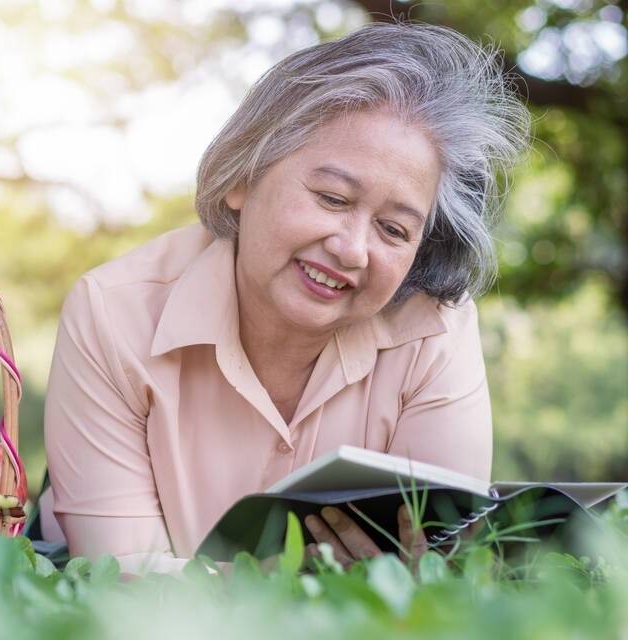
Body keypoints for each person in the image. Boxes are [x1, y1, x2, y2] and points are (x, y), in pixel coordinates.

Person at [41, 22, 530, 578]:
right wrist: (271, 582)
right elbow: (118, 576)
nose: (352, 249)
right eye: (331, 197)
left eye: (394, 230)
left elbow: (444, 566)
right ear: (243, 178)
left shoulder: (435, 328)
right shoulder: (113, 312)